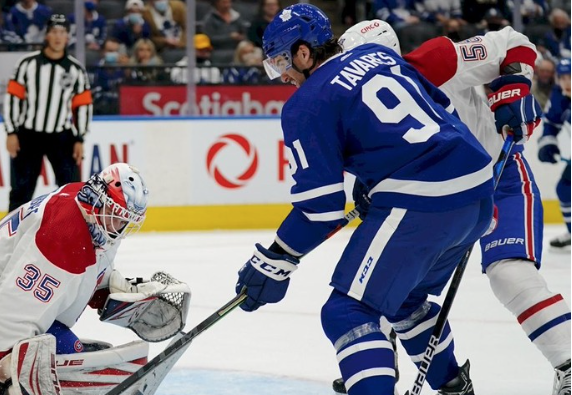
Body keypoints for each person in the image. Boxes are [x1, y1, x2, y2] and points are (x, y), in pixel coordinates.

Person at [235, 4, 495, 395]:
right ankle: (456, 386)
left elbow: (320, 210)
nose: (281, 74)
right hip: (476, 188)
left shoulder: (306, 104)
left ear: (304, 53)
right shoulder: (377, 55)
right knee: (405, 301)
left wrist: (274, 258)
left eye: (280, 61)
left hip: (423, 199)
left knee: (347, 312)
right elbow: (441, 111)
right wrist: (380, 177)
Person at [332, 21, 571, 395]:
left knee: (510, 275)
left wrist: (514, 84)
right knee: (387, 288)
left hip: (499, 178)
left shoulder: (432, 62)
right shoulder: (358, 110)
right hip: (439, 200)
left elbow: (513, 42)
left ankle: (568, 364)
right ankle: (400, 367)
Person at [0, 163, 191, 395]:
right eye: (117, 216)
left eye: (126, 221)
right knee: (75, 363)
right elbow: (8, 316)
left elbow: (83, 269)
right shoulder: (63, 234)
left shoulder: (91, 210)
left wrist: (108, 288)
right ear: (100, 200)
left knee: (78, 354)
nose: (119, 227)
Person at [2, 14, 92, 212]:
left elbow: (83, 106)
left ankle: (70, 235)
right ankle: (12, 238)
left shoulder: (76, 69)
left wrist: (79, 138)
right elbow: (12, 99)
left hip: (61, 137)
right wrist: (11, 132)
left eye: (62, 32)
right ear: (47, 35)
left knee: (71, 190)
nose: (58, 37)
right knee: (20, 191)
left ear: (67, 36)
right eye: (54, 32)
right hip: (28, 135)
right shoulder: (27, 64)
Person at [538, 58, 571, 250]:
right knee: (564, 188)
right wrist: (547, 143)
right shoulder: (559, 94)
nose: (566, 82)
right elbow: (552, 122)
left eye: (570, 77)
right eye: (562, 77)